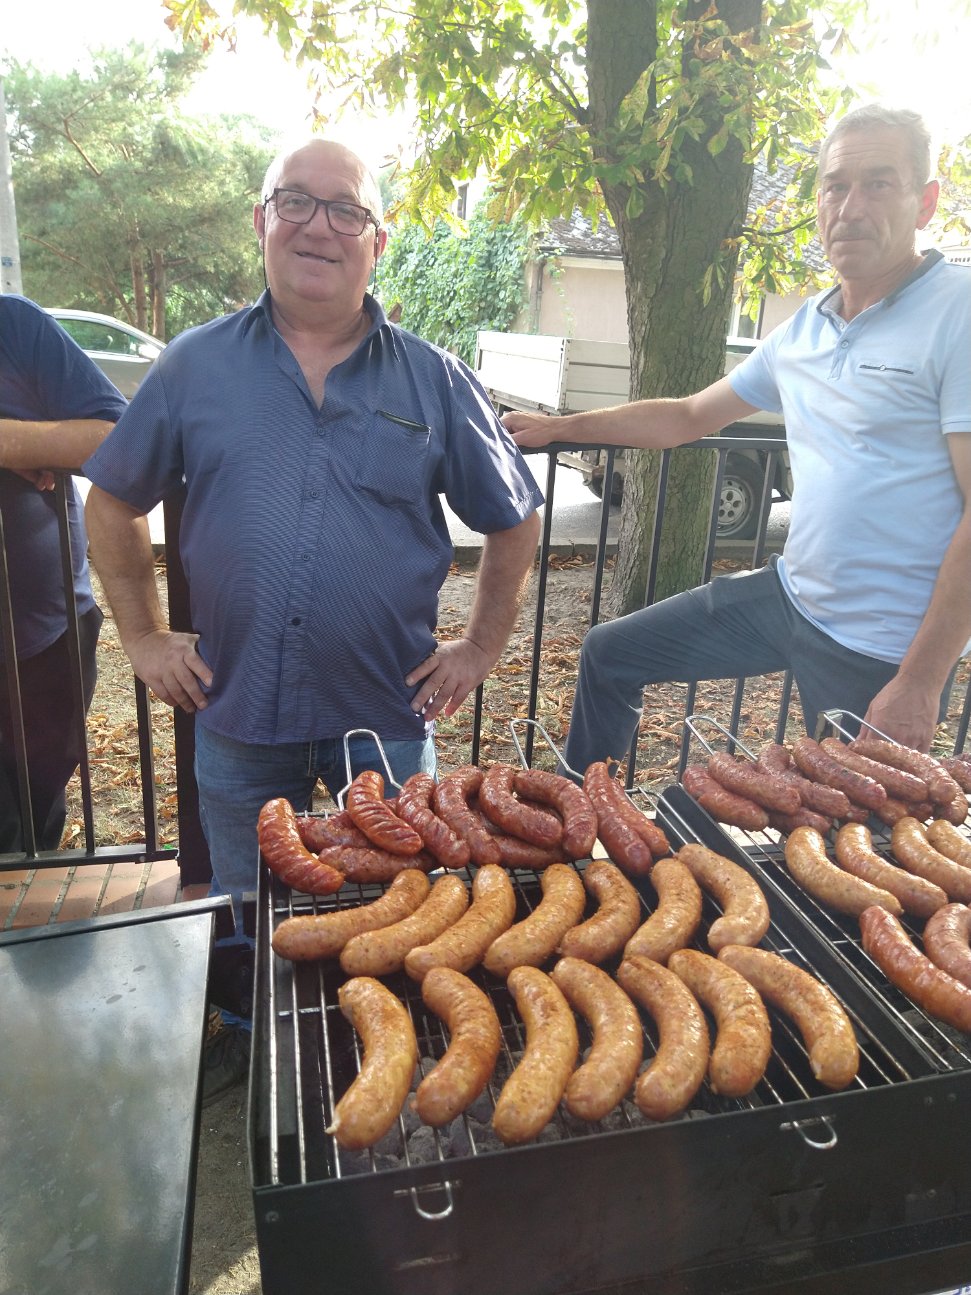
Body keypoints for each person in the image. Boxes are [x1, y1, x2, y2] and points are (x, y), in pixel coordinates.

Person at [83, 138, 542, 1077]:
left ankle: (393, 1046)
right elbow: (112, 501)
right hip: (239, 708)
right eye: (294, 201)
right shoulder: (194, 365)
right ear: (261, 219)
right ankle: (271, 1051)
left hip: (386, 711)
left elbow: (514, 517)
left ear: (377, 241)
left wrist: (478, 647)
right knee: (252, 903)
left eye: (345, 210)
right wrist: (143, 636)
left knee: (408, 897)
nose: (317, 226)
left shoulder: (433, 377)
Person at [505, 105, 971, 772]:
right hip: (790, 598)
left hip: (881, 648)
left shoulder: (957, 312)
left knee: (852, 825)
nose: (850, 208)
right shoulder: (804, 330)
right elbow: (687, 416)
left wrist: (921, 680)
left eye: (878, 184)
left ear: (923, 202)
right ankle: (582, 814)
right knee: (610, 653)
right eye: (835, 186)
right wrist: (564, 428)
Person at [0, 295, 127, 854]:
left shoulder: (14, 324)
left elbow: (117, 436)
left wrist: (11, 441)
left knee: (34, 826)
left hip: (47, 640)